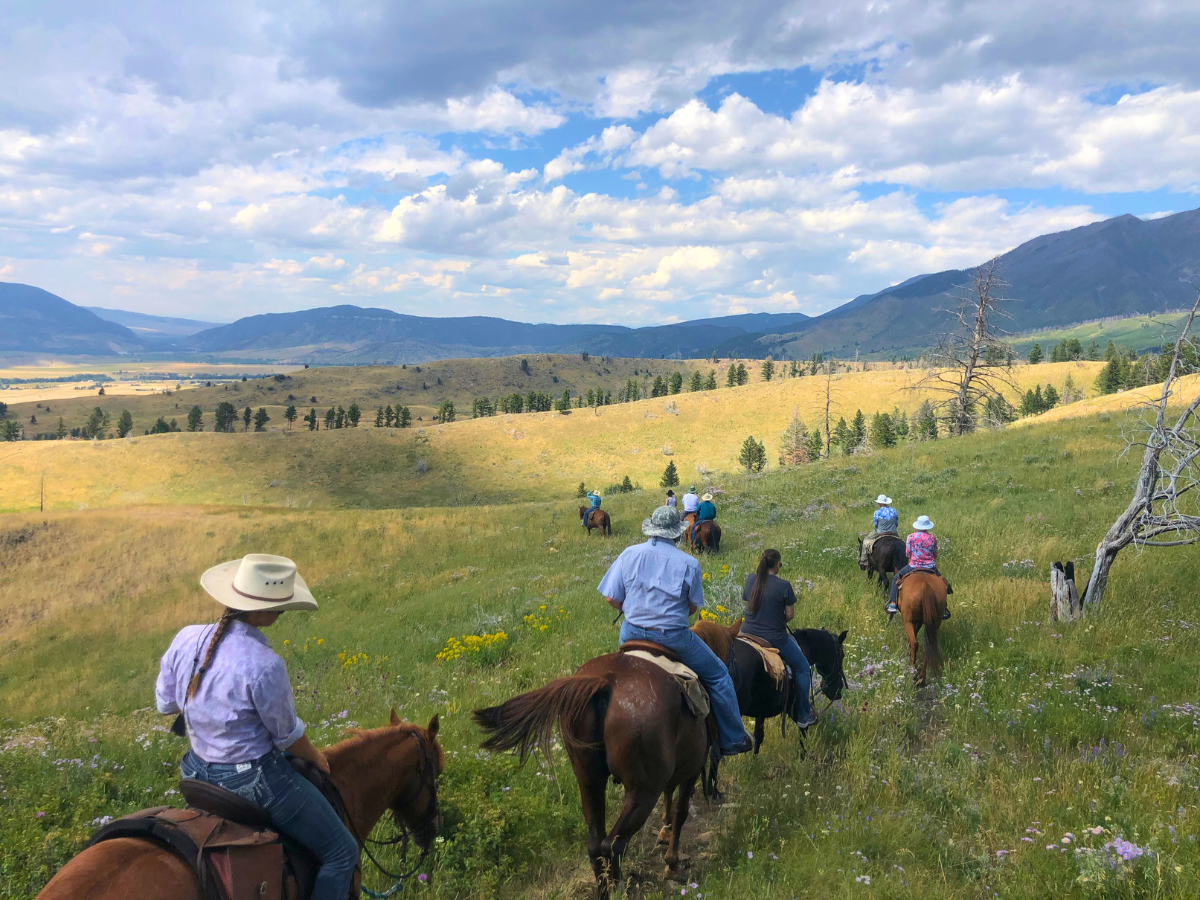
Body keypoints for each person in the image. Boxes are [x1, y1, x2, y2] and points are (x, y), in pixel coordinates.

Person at [156, 554, 359, 900]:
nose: (282, 614)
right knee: (342, 852)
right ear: (264, 612)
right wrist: (318, 759)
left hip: (195, 770)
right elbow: (286, 737)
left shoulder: (187, 638)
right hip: (251, 780)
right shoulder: (265, 664)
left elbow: (166, 704)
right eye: (281, 607)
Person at [599, 506, 752, 757]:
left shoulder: (629, 554)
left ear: (651, 530)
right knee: (719, 676)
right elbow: (693, 607)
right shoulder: (689, 563)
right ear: (676, 534)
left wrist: (632, 608)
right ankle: (733, 737)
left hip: (631, 633)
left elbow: (610, 599)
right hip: (673, 637)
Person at [740, 549, 818, 729]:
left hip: (746, 632)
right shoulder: (784, 586)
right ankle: (804, 714)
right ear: (777, 565)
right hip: (774, 637)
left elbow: (750, 603)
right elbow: (790, 615)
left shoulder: (751, 580)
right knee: (802, 667)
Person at [886, 516, 951, 619]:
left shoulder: (911, 537)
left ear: (917, 525)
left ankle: (893, 603)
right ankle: (943, 608)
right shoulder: (932, 538)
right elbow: (934, 555)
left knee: (895, 578)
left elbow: (908, 553)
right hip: (930, 566)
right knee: (942, 584)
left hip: (914, 565)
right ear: (927, 526)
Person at [858, 494, 898, 568]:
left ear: (879, 503)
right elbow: (896, 523)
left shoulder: (877, 512)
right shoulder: (894, 510)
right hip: (893, 532)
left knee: (865, 541)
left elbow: (876, 524)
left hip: (881, 532)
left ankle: (864, 561)